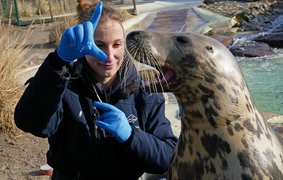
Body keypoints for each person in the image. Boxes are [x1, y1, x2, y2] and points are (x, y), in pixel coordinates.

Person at [14, 1, 178, 179]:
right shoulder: (63, 86)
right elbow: (30, 123)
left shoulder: (145, 94)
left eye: (117, 45)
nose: (109, 56)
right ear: (83, 46)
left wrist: (131, 136)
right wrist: (58, 62)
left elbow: (168, 158)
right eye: (99, 45)